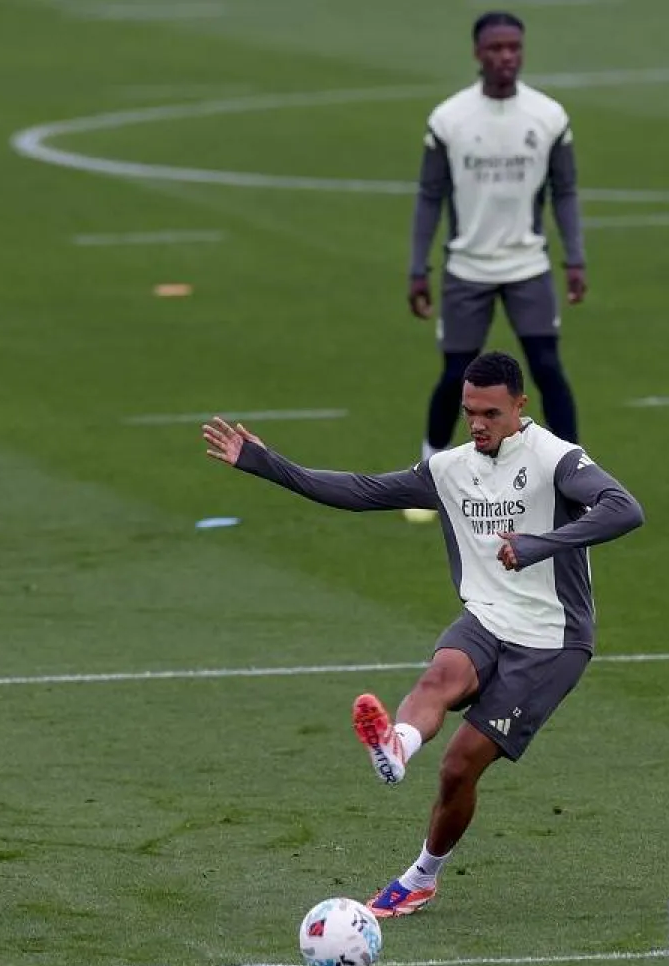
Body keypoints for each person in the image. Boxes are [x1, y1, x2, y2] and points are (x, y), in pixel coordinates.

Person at [201, 351, 643, 918]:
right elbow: (360, 490)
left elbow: (625, 509)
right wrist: (267, 464)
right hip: (486, 616)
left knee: (459, 765)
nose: (478, 424)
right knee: (441, 676)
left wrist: (538, 544)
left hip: (552, 639)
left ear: (519, 407)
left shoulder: (557, 458)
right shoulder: (450, 468)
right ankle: (396, 745)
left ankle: (420, 877)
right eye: (469, 412)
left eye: (490, 413)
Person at [404, 10, 588, 523]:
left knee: (548, 369)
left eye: (513, 47)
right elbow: (429, 195)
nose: (505, 56)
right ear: (477, 53)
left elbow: (565, 192)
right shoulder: (450, 119)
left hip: (528, 265)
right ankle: (429, 475)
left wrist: (575, 257)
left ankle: (575, 478)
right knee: (453, 375)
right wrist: (418, 269)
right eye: (495, 48)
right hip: (467, 266)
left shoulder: (548, 117)